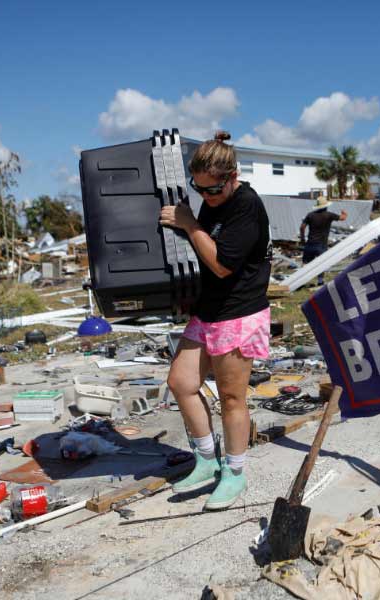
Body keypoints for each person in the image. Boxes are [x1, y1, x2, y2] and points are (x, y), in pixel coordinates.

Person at [158, 131, 271, 510]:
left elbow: (222, 264)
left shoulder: (246, 206)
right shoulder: (212, 202)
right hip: (208, 311)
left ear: (232, 177)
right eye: (199, 189)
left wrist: (190, 224)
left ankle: (234, 473)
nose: (206, 196)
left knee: (232, 397)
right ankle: (206, 459)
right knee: (181, 381)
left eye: (213, 190)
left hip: (239, 312)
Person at [299, 196, 347, 285]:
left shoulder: (310, 215)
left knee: (305, 263)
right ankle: (320, 281)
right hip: (321, 245)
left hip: (310, 243)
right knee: (321, 263)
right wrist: (344, 213)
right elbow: (343, 218)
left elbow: (302, 227)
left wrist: (302, 239)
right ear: (325, 206)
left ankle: (300, 282)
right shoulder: (329, 215)